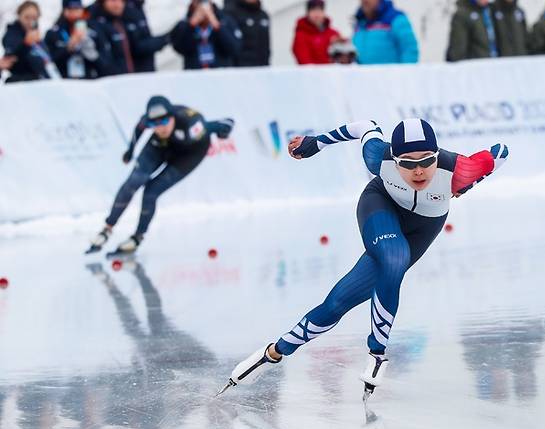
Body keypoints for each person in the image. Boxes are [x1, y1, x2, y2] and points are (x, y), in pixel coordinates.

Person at [220, 119, 509, 399]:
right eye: (407, 163)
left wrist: (471, 182)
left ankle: (273, 352)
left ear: (437, 155)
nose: (419, 171)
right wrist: (315, 143)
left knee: (336, 304)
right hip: (380, 206)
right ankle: (378, 354)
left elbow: (500, 153)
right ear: (394, 159)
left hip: (424, 227)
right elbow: (364, 126)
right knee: (395, 258)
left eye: (427, 161)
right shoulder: (377, 158)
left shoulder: (461, 168)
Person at [86, 96, 234, 255]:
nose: (160, 128)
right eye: (153, 124)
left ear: (172, 118)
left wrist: (225, 129)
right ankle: (106, 230)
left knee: (151, 192)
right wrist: (130, 150)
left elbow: (224, 123)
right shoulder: (150, 124)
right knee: (134, 181)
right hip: (161, 146)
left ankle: (137, 237)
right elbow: (139, 128)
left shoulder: (191, 123)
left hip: (189, 155)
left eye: (163, 122)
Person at [90, 0, 168, 75]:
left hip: (135, 76)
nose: (118, 4)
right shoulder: (95, 20)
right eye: (113, 0)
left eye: (121, 1)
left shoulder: (127, 15)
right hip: (113, 80)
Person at [45, 0, 110, 79]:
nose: (74, 12)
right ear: (65, 10)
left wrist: (94, 56)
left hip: (90, 80)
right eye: (71, 9)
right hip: (65, 81)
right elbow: (49, 61)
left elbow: (107, 62)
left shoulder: (94, 29)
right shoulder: (53, 33)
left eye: (77, 8)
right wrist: (68, 48)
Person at [171, 0, 242, 69]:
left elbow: (234, 48)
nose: (202, 7)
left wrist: (216, 25)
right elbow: (179, 47)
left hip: (221, 73)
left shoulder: (226, 21)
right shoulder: (184, 23)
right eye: (198, 2)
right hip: (193, 74)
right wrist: (191, 25)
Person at [2, 1, 61, 82]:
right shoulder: (12, 34)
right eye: (27, 17)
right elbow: (11, 55)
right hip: (19, 82)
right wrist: (26, 44)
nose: (30, 22)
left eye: (34, 18)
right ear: (19, 16)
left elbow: (47, 61)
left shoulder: (39, 39)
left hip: (39, 82)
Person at [353, 0, 419, 64]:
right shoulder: (360, 23)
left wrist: (405, 73)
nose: (365, 0)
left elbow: (410, 49)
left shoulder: (396, 19)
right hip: (364, 74)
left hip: (391, 74)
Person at [292, 0, 341, 65]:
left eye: (320, 10)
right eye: (313, 10)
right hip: (311, 74)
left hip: (331, 73)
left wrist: (342, 44)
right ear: (308, 13)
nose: (317, 14)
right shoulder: (301, 35)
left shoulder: (333, 33)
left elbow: (343, 59)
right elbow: (304, 61)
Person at [225, 0, 270, 66]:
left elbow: (266, 45)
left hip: (262, 67)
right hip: (241, 68)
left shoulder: (263, 15)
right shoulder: (231, 14)